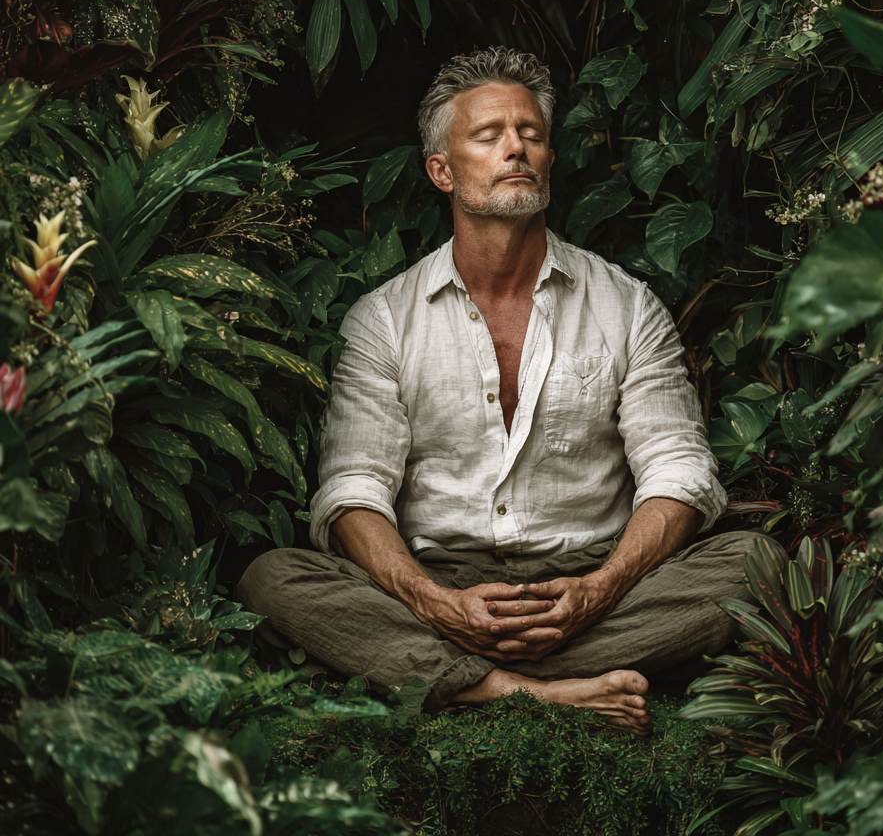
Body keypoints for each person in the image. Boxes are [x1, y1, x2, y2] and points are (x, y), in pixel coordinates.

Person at [239, 47, 763, 735]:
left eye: (532, 134)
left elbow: (680, 472)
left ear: (549, 160)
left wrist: (598, 593)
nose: (515, 147)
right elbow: (353, 491)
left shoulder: (627, 306)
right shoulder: (385, 319)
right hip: (441, 583)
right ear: (441, 171)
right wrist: (433, 604)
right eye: (488, 136)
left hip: (590, 580)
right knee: (271, 577)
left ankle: (454, 681)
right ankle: (537, 691)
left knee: (754, 561)